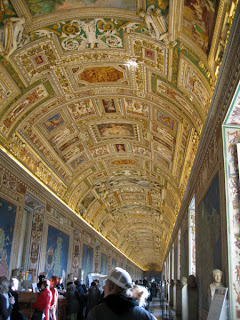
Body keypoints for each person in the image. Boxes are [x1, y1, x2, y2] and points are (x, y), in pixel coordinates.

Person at [86, 267, 156, 320]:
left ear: (113, 287)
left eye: (106, 284)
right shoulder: (145, 315)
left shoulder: (96, 313)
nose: (103, 287)